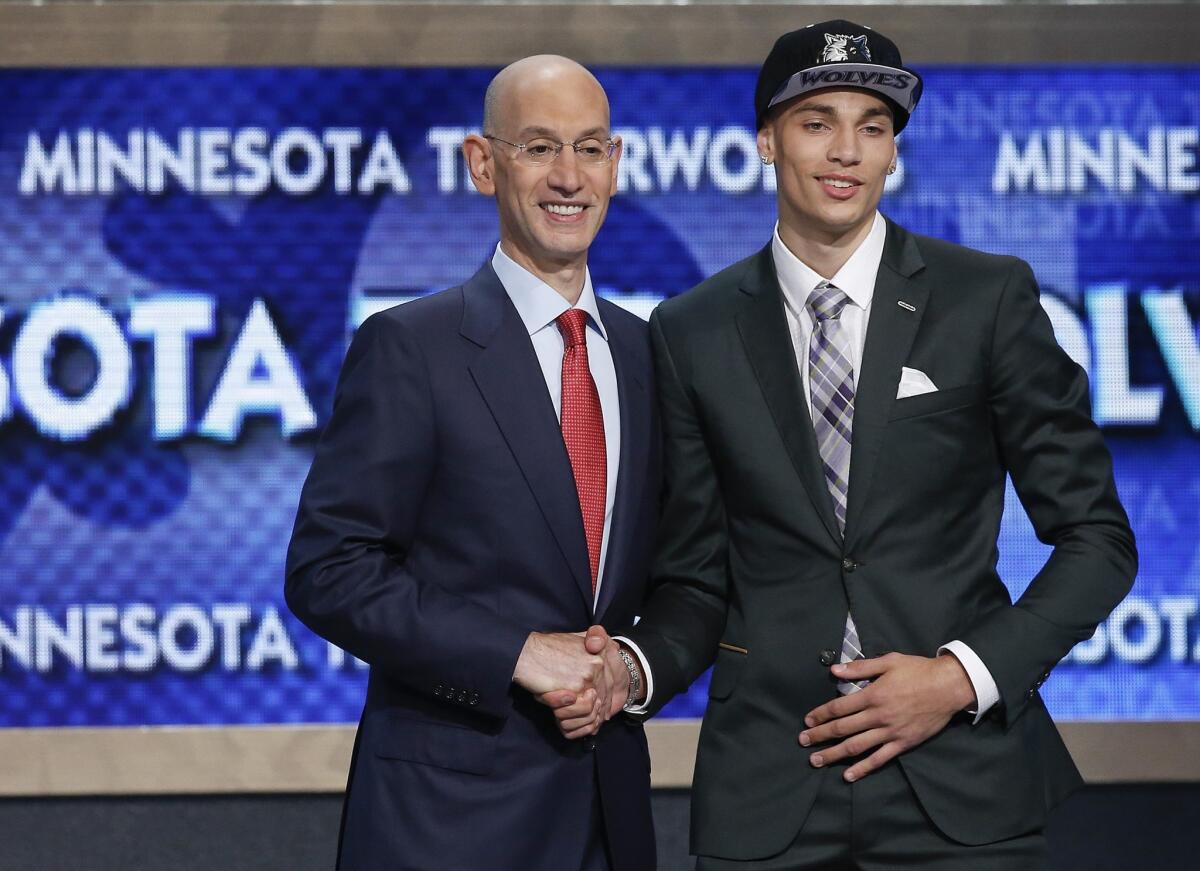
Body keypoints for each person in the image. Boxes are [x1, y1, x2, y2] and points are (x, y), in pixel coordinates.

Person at [552, 19, 1136, 869]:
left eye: (873, 127)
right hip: (770, 788)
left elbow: (1099, 541)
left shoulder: (986, 299)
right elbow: (695, 572)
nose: (847, 151)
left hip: (962, 785)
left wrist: (959, 677)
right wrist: (632, 668)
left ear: (893, 152)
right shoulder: (691, 331)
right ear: (766, 140)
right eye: (817, 121)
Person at [285, 55, 659, 871]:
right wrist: (518, 651)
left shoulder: (647, 352)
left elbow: (685, 569)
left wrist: (630, 668)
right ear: (483, 163)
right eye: (538, 148)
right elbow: (329, 568)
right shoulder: (411, 346)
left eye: (590, 149)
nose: (569, 176)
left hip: (611, 814)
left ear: (617, 163)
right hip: (447, 823)